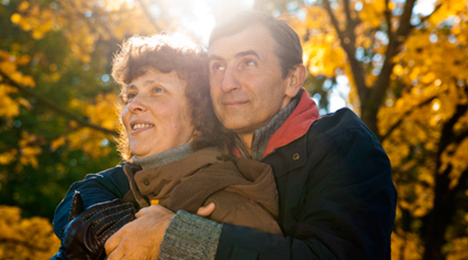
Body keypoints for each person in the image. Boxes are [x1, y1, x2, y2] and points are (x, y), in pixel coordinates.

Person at [57, 11, 397, 260]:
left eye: (247, 63)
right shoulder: (209, 141)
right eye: (217, 66)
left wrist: (174, 235)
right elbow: (94, 187)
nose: (226, 82)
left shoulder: (342, 144)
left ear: (293, 79)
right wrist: (101, 225)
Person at [51, 32, 283, 260]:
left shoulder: (232, 210)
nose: (134, 105)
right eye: (132, 93)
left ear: (199, 115)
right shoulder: (127, 191)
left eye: (157, 90)